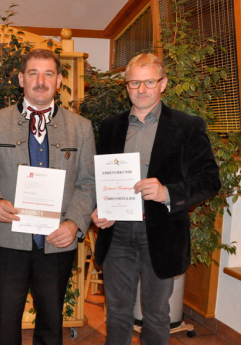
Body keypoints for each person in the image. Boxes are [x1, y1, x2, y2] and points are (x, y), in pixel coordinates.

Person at [91, 53, 220, 345]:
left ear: (163, 84)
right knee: (118, 312)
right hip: (118, 231)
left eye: (149, 81)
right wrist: (98, 208)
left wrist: (168, 193)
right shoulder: (111, 126)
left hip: (162, 233)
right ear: (126, 86)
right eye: (134, 82)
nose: (141, 89)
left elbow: (210, 180)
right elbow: (99, 177)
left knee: (158, 314)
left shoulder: (188, 126)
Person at [0, 48, 96, 344]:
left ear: (59, 80)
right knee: (4, 318)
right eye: (33, 73)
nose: (41, 81)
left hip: (57, 240)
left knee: (52, 319)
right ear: (20, 79)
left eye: (48, 74)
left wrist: (74, 224)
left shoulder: (81, 127)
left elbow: (88, 183)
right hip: (9, 238)